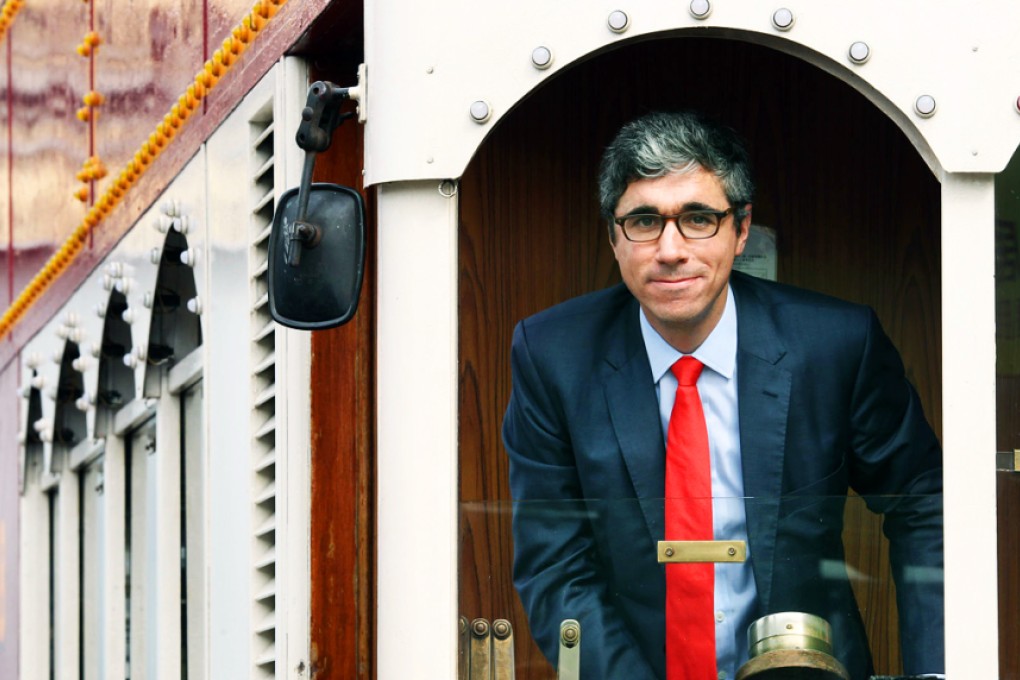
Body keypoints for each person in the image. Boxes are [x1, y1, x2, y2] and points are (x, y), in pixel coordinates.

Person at [502, 111, 944, 680]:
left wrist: (934, 673)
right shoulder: (552, 354)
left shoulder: (836, 344)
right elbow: (554, 562)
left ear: (740, 230)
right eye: (642, 221)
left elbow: (926, 501)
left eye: (698, 219)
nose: (670, 249)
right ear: (613, 236)